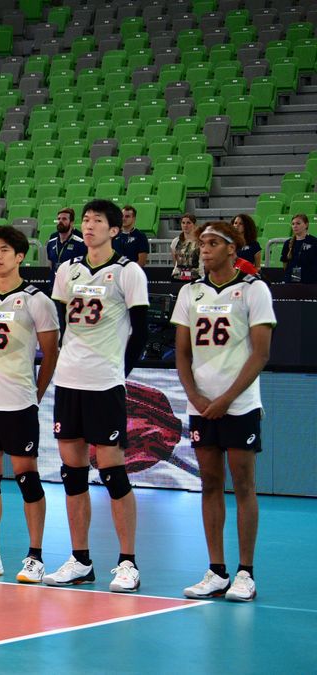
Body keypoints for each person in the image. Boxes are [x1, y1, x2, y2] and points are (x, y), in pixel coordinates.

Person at [44, 199, 149, 592]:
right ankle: (80, 559)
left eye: (97, 221)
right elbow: (57, 324)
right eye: (85, 220)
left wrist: (120, 372)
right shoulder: (67, 271)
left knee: (112, 471)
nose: (88, 226)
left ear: (114, 229)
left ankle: (127, 562)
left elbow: (141, 330)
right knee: (73, 474)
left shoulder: (127, 272)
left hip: (104, 384)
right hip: (69, 382)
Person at [173, 220, 275, 603]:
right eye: (203, 243)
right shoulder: (191, 292)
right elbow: (182, 353)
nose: (205, 249)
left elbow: (261, 353)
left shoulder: (253, 290)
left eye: (213, 243)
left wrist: (227, 398)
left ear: (233, 249)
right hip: (202, 404)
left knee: (243, 484)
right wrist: (196, 397)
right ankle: (216, 570)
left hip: (240, 404)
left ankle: (246, 572)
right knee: (210, 484)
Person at [0, 226, 60, 582]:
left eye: (4, 250)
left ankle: (35, 556)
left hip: (19, 401)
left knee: (26, 477)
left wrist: (37, 392)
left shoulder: (37, 300)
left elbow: (51, 352)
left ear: (20, 257)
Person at [281, 213, 317, 283]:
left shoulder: (314, 242)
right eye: (293, 224)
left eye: (298, 223)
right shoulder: (288, 243)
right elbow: (285, 264)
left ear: (306, 225)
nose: (295, 226)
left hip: (310, 281)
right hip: (291, 281)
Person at [170, 214, 201, 281]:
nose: (185, 225)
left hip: (195, 277)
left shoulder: (200, 242)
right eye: (183, 223)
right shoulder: (175, 241)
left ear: (194, 225)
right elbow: (175, 261)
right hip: (178, 277)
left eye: (188, 223)